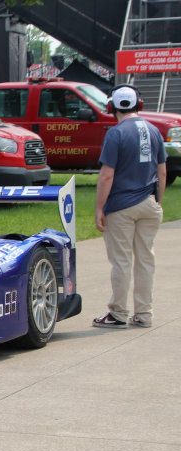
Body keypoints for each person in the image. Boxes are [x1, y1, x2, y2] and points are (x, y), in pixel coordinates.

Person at [93, 85, 165, 329]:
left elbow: (106, 175)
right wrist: (157, 199)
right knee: (146, 260)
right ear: (139, 105)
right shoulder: (154, 130)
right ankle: (144, 314)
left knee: (122, 261)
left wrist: (99, 208)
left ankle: (118, 313)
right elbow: (162, 171)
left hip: (122, 206)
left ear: (111, 107)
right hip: (148, 203)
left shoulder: (116, 133)